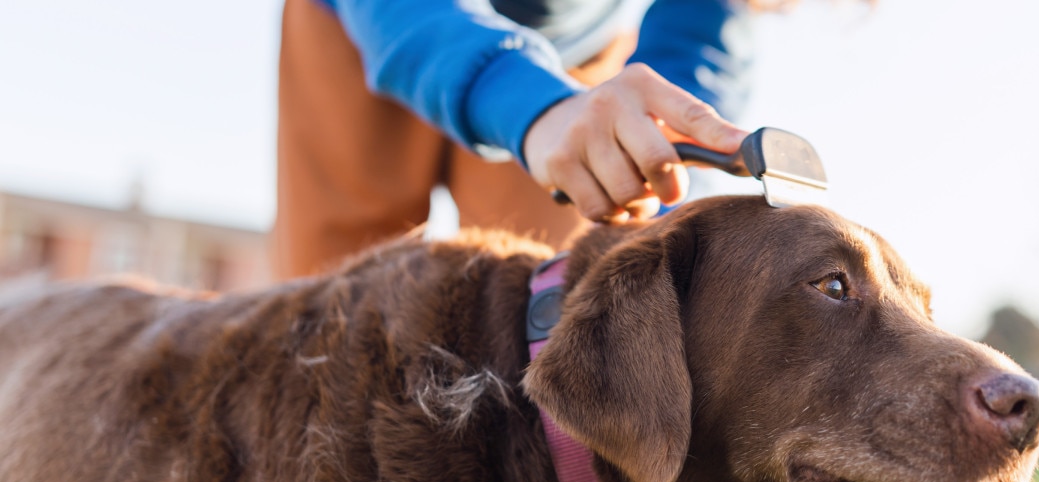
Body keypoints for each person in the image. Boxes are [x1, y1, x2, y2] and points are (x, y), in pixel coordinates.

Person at [273, 0, 759, 279]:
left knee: (544, 300)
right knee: (330, 293)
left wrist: (660, 174)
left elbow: (703, 26)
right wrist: (535, 107)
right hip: (371, 24)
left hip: (574, 52)